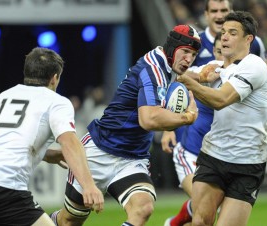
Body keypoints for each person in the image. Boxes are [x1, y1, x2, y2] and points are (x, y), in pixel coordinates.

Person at [49, 24, 200, 226]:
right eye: (186, 52)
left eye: (194, 54)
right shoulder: (152, 68)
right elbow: (147, 119)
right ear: (172, 48)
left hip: (131, 158)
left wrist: (202, 76)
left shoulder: (168, 65)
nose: (189, 59)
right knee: (69, 221)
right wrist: (186, 118)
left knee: (143, 208)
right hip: (99, 150)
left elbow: (181, 78)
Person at [162, 1, 267, 225]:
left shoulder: (254, 65)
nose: (225, 37)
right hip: (213, 156)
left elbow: (221, 100)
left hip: (247, 163)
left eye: (233, 33)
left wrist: (190, 83)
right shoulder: (215, 67)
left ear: (248, 39)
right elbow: (172, 75)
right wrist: (196, 77)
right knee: (201, 221)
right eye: (223, 33)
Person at [0, 47, 104, 226]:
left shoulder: (4, 97)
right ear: (55, 78)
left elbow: (2, 143)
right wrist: (89, 185)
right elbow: (70, 142)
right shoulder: (56, 101)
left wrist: (50, 155)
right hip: (6, 190)